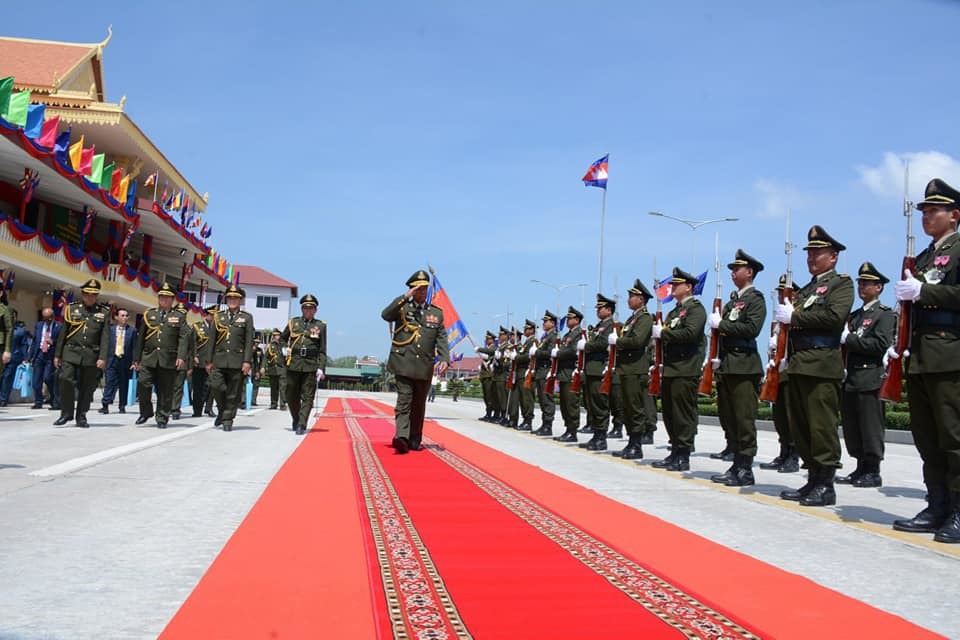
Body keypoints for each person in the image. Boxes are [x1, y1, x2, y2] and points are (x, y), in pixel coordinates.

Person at [891, 178, 960, 542]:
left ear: (955, 215)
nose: (927, 216)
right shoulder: (923, 258)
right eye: (924, 211)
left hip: (950, 354)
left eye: (934, 210)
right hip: (920, 355)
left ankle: (959, 510)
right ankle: (937, 504)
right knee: (928, 437)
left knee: (953, 436)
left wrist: (925, 290)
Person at [776, 225, 854, 506]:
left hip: (821, 363)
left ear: (833, 256)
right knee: (802, 426)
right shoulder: (806, 289)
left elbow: (834, 317)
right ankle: (812, 480)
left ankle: (826, 483)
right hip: (798, 363)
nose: (811, 258)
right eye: (809, 253)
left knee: (821, 426)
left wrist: (794, 317)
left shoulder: (841, 284)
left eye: (817, 253)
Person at [708, 250, 767, 487]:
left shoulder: (755, 299)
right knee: (729, 417)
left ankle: (745, 468)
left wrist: (722, 324)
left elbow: (752, 328)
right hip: (729, 365)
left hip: (745, 365)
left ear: (749, 272)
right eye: (732, 269)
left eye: (737, 269)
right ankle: (736, 463)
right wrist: (716, 358)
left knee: (743, 419)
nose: (733, 273)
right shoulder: (733, 301)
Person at [837, 262, 895, 488]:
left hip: (870, 377)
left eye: (867, 283)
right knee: (853, 427)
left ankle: (872, 470)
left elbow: (880, 343)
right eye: (860, 282)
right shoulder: (855, 316)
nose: (862, 286)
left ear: (879, 287)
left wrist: (849, 340)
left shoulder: (884, 315)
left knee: (870, 427)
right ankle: (860, 466)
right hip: (850, 378)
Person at [381, 269, 450, 453]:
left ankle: (414, 439)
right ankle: (401, 437)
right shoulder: (402, 307)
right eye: (417, 289)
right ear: (411, 290)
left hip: (424, 366)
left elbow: (441, 337)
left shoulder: (436, 313)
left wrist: (444, 358)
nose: (421, 292)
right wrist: (404, 297)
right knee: (404, 401)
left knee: (419, 405)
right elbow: (386, 315)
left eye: (424, 289)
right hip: (403, 363)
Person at [651, 268, 706, 472]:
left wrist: (664, 333)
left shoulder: (696, 308)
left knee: (682, 413)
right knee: (670, 413)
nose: (672, 287)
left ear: (689, 287)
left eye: (676, 284)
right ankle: (675, 449)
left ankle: (683, 454)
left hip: (686, 368)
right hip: (672, 368)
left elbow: (690, 333)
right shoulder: (675, 311)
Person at [53, 279, 109, 428]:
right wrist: (57, 355)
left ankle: (81, 416)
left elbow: (105, 337)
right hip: (71, 351)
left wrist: (102, 357)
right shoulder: (72, 309)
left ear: (97, 296)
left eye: (93, 295)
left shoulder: (103, 312)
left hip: (91, 354)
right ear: (83, 294)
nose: (90, 297)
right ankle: (66, 413)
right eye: (87, 294)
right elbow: (63, 333)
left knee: (87, 387)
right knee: (65, 379)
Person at [759, 275, 800, 473]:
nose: (780, 295)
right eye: (779, 292)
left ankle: (794, 454)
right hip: (777, 372)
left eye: (784, 292)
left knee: (792, 416)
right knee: (780, 417)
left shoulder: (794, 315)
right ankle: (783, 451)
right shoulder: (776, 321)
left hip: (791, 372)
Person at [134, 283, 188, 429]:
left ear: (172, 300)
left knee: (165, 390)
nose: (163, 299)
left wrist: (181, 356)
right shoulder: (149, 314)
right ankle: (146, 412)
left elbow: (183, 338)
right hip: (149, 357)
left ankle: (162, 417)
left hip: (168, 358)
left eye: (167, 297)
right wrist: (137, 359)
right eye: (161, 296)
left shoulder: (179, 316)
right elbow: (141, 338)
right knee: (143, 384)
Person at [612, 279, 654, 459]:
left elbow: (637, 341)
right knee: (627, 407)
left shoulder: (645, 318)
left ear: (642, 300)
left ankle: (636, 445)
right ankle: (631, 441)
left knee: (635, 408)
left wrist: (618, 342)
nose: (629, 299)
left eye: (632, 296)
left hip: (635, 369)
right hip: (626, 368)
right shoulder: (632, 318)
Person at [204, 285, 255, 432]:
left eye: (236, 298)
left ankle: (227, 419)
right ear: (226, 299)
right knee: (216, 386)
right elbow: (211, 340)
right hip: (219, 359)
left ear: (241, 300)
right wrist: (208, 361)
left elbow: (248, 342)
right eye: (230, 298)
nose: (232, 300)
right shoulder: (218, 317)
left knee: (233, 393)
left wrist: (247, 361)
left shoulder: (246, 318)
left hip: (237, 360)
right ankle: (222, 410)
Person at [281, 294, 327, 434]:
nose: (308, 310)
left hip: (310, 364)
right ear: (302, 309)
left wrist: (321, 367)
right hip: (294, 363)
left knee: (308, 396)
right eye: (305, 308)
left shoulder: (320, 325)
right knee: (291, 394)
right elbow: (283, 339)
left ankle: (302, 423)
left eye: (311, 308)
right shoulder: (293, 323)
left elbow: (322, 349)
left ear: (315, 310)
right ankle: (296, 418)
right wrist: (284, 348)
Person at [580, 294, 617, 451]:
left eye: (600, 308)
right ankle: (596, 435)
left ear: (609, 310)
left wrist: (586, 346)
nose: (598, 311)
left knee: (600, 405)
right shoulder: (598, 326)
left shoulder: (611, 326)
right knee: (592, 405)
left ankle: (601, 437)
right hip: (590, 370)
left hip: (599, 370)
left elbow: (602, 343)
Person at [553, 306, 585, 443]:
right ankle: (568, 429)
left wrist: (558, 354)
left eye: (570, 318)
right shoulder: (567, 335)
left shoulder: (578, 333)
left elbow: (572, 351)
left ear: (577, 320)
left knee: (571, 403)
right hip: (563, 373)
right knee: (565, 404)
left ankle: (573, 431)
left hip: (572, 372)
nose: (567, 320)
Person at [100, 307, 136, 414]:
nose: (125, 318)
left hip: (125, 361)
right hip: (112, 359)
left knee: (123, 384)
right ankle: (105, 404)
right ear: (116, 317)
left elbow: (134, 348)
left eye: (126, 316)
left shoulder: (132, 331)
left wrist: (135, 362)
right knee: (109, 382)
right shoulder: (110, 330)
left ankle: (122, 405)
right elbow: (105, 345)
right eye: (122, 315)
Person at [28, 306, 60, 410]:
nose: (47, 320)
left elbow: (62, 342)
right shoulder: (39, 325)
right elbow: (35, 341)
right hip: (40, 354)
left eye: (49, 318)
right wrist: (30, 356)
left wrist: (53, 342)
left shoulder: (59, 326)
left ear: (53, 317)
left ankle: (54, 399)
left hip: (50, 355)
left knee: (48, 378)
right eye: (45, 318)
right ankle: (38, 401)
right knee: (36, 380)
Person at [532, 311, 559, 436]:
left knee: (547, 399)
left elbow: (549, 353)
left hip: (546, 370)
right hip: (540, 371)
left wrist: (536, 352)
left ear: (552, 323)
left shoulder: (553, 336)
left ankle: (548, 426)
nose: (543, 323)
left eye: (545, 321)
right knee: (542, 400)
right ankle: (544, 424)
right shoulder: (545, 337)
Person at [169, 301, 194, 419]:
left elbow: (192, 349)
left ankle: (175, 409)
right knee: (167, 385)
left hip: (183, 362)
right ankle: (166, 406)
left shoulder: (189, 329)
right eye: (179, 313)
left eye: (184, 313)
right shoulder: (168, 325)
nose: (181, 315)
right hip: (168, 360)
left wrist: (190, 366)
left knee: (178, 386)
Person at [513, 320, 538, 430]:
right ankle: (525, 420)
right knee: (523, 399)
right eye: (525, 328)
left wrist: (517, 357)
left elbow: (528, 356)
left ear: (532, 330)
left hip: (527, 373)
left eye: (527, 329)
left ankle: (528, 420)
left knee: (527, 398)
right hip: (520, 374)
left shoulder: (533, 341)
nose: (525, 330)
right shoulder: (526, 342)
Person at [190, 306, 215, 417]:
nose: (213, 317)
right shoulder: (197, 326)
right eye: (211, 315)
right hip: (199, 361)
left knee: (211, 386)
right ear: (206, 315)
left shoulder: (217, 328)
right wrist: (194, 355)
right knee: (198, 387)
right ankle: (197, 410)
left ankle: (208, 408)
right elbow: (193, 343)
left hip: (212, 362)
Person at [0, 315, 29, 406]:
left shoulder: (20, 331)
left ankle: (3, 399)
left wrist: (25, 358)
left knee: (7, 377)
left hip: (13, 357)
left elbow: (24, 345)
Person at [262, 328, 287, 410]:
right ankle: (273, 404)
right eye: (275, 335)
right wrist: (263, 367)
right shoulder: (270, 345)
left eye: (277, 335)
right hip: (272, 369)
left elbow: (287, 356)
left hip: (282, 369)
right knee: (273, 388)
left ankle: (283, 404)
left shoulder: (283, 345)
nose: (276, 337)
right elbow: (266, 357)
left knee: (282, 388)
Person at [475, 331, 498, 421]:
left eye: (488, 339)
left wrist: (480, 349)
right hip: (484, 375)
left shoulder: (493, 348)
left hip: (489, 375)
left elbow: (490, 352)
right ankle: (488, 413)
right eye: (486, 339)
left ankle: (490, 413)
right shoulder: (487, 348)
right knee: (486, 395)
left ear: (492, 340)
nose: (487, 340)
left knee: (490, 396)